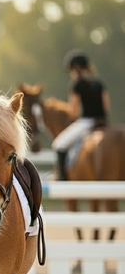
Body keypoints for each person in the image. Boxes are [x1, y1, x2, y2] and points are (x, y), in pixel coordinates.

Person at [52, 50, 110, 180]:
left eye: (71, 70)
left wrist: (72, 116)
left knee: (59, 144)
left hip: (87, 122)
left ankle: (62, 178)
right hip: (103, 122)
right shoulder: (99, 82)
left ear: (76, 68)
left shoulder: (77, 84)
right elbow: (106, 105)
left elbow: (74, 110)